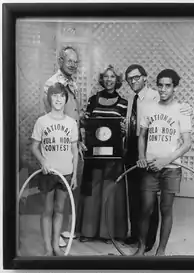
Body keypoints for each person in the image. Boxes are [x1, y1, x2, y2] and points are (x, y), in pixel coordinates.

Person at [124, 64, 193, 252]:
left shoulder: (181, 110)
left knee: (166, 209)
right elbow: (142, 136)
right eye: (160, 85)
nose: (163, 89)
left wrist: (166, 160)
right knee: (145, 209)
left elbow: (187, 143)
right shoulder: (149, 108)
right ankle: (141, 248)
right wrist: (141, 156)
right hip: (150, 168)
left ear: (174, 88)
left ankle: (160, 250)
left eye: (168, 86)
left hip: (171, 169)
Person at [78, 65, 128, 243]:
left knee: (109, 192)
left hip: (113, 156)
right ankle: (88, 232)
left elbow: (125, 129)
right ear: (102, 79)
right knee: (92, 191)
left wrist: (124, 129)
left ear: (117, 80)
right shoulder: (93, 100)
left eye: (112, 77)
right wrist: (83, 120)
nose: (109, 80)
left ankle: (109, 233)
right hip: (94, 154)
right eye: (106, 77)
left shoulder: (124, 103)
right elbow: (85, 123)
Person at [43, 45, 85, 246]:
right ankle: (52, 237)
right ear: (60, 60)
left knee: (68, 188)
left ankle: (62, 230)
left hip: (72, 142)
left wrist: (80, 141)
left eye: (76, 62)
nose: (73, 65)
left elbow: (77, 114)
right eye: (70, 61)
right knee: (53, 195)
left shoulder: (74, 83)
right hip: (58, 144)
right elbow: (49, 116)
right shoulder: (52, 83)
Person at [31, 82, 78, 256]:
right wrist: (42, 161)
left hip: (65, 173)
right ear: (49, 98)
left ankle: (56, 246)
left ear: (66, 99)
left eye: (61, 96)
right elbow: (34, 147)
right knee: (47, 210)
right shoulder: (41, 121)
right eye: (55, 96)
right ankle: (47, 247)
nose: (58, 99)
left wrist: (74, 175)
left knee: (59, 209)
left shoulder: (71, 123)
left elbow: (74, 150)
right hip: (48, 173)